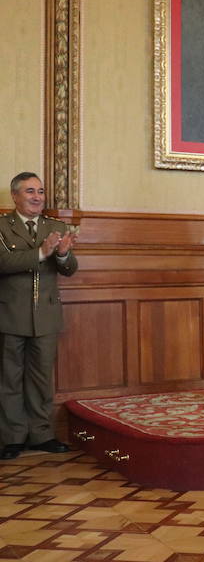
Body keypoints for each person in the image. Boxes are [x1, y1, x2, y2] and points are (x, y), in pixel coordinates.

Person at [0, 172, 78, 460]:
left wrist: (62, 255)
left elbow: (69, 269)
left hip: (46, 314)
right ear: (15, 196)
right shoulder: (2, 227)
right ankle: (12, 438)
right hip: (9, 313)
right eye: (30, 191)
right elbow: (4, 261)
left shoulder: (55, 226)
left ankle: (42, 434)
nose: (37, 197)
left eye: (41, 191)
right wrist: (42, 253)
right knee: (9, 378)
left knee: (41, 377)